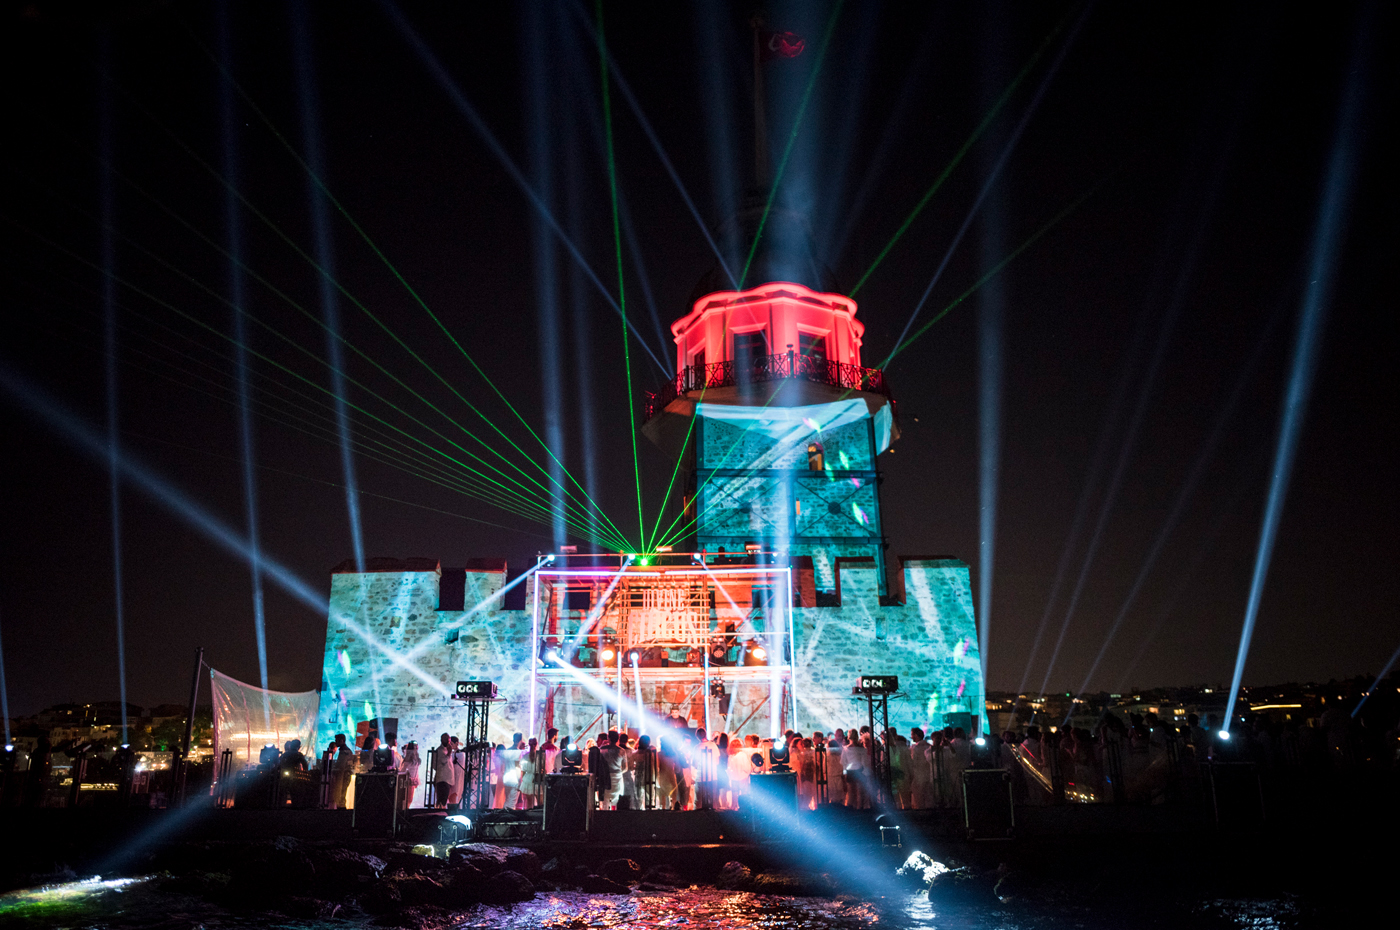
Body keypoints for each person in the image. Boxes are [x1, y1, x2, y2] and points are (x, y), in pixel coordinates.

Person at [429, 733, 453, 808]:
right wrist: (449, 753)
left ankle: (441, 809)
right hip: (442, 779)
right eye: (446, 739)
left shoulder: (446, 750)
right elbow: (442, 761)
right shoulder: (440, 750)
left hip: (447, 779)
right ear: (442, 740)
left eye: (449, 739)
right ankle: (440, 811)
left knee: (444, 798)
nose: (448, 741)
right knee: (442, 799)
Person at [397, 741, 421, 809]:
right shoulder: (409, 758)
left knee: (410, 799)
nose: (416, 748)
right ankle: (405, 810)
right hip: (409, 780)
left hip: (413, 780)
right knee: (408, 799)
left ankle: (406, 809)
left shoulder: (415, 757)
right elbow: (404, 770)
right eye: (415, 747)